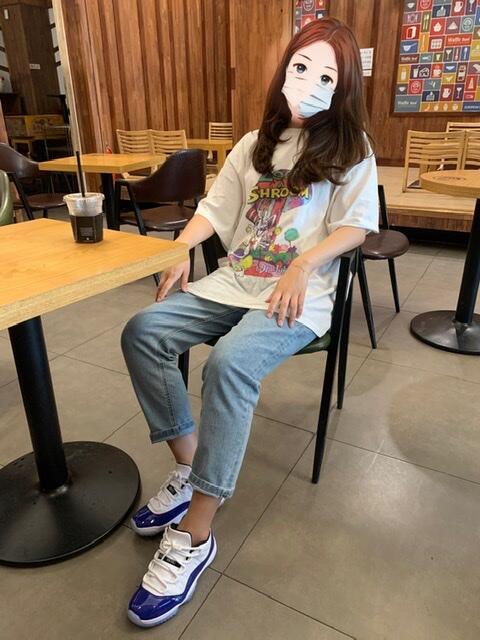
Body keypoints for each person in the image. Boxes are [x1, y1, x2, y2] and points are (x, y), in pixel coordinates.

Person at [121, 17, 378, 628]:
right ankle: (191, 465)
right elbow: (214, 210)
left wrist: (304, 264)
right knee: (144, 331)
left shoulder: (351, 149)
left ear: (343, 87)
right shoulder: (253, 144)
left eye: (327, 76)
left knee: (230, 365)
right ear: (285, 68)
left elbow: (356, 226)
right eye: (302, 67)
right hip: (236, 282)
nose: (310, 82)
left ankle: (196, 532)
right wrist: (179, 248)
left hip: (298, 298)